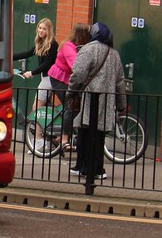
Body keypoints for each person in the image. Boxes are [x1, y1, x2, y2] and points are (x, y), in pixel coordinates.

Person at [68, 22, 127, 180]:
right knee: (98, 136)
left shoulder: (88, 49)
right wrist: (122, 104)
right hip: (107, 102)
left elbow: (78, 74)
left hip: (88, 99)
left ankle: (85, 168)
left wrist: (70, 92)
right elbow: (120, 82)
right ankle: (97, 168)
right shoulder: (114, 54)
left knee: (85, 133)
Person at [47, 22, 90, 150]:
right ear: (82, 35)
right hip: (58, 78)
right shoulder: (68, 46)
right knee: (70, 105)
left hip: (69, 80)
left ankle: (60, 138)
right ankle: (65, 138)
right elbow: (75, 65)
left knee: (77, 107)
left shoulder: (79, 46)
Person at [13, 18, 59, 104]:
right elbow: (27, 54)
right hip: (44, 77)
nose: (41, 30)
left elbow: (47, 64)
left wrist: (31, 73)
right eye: (39, 28)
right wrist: (9, 57)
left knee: (37, 107)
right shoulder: (41, 43)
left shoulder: (52, 44)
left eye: (44, 29)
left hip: (50, 77)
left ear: (48, 31)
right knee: (44, 106)